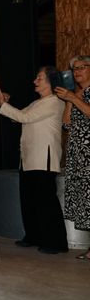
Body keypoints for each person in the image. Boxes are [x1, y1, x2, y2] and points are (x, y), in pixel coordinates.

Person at [0, 67, 68, 254]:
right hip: (29, 158)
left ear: (51, 82)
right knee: (30, 200)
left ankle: (55, 241)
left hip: (44, 158)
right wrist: (6, 103)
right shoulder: (39, 102)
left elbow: (23, 117)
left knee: (46, 202)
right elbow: (18, 118)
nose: (35, 81)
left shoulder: (53, 102)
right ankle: (34, 236)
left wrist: (2, 104)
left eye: (39, 78)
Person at [55, 55, 90, 260]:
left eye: (81, 68)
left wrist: (74, 99)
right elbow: (66, 125)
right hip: (78, 157)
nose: (77, 72)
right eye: (74, 69)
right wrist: (69, 100)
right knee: (85, 203)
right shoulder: (77, 93)